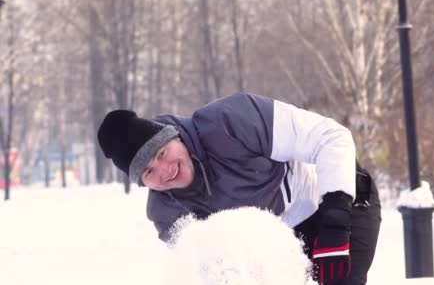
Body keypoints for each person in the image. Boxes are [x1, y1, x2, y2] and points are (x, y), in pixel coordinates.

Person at [97, 92, 381, 285]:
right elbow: (203, 271)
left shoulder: (232, 119)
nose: (165, 170)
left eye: (161, 153)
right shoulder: (167, 215)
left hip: (335, 202)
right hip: (276, 241)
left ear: (175, 137)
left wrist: (335, 220)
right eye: (148, 172)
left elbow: (331, 137)